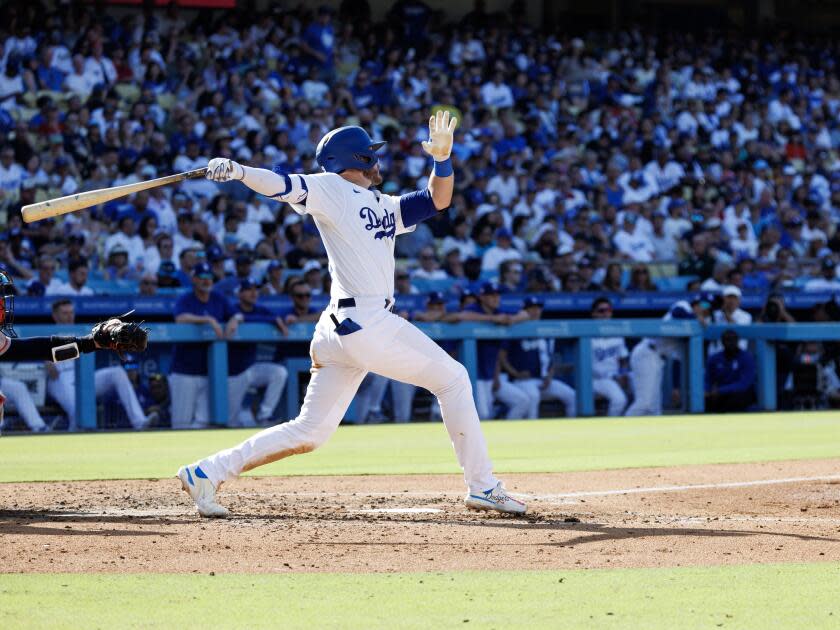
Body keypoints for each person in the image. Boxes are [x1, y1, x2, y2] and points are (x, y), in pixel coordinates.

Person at [177, 112, 526, 517]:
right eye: (371, 156)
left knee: (310, 432)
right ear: (359, 160)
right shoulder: (331, 189)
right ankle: (483, 485)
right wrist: (239, 171)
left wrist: (442, 161)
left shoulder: (384, 205)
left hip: (342, 328)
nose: (377, 162)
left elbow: (437, 200)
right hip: (365, 323)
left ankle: (207, 471)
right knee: (453, 380)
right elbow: (281, 184)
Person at [46, 300, 152, 432]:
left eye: (71, 312)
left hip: (82, 375)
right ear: (55, 316)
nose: (69, 316)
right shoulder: (46, 332)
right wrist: (44, 361)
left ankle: (140, 422)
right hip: (60, 378)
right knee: (76, 408)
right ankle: (76, 434)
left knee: (117, 373)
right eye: (65, 313)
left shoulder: (80, 331)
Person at [169, 262, 238, 429]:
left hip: (209, 372)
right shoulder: (186, 299)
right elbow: (180, 318)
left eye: (209, 277)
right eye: (202, 277)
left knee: (203, 422)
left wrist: (234, 320)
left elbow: (235, 314)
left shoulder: (218, 298)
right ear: (194, 279)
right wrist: (208, 320)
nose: (206, 281)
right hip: (184, 372)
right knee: (181, 422)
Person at [459, 281, 531, 420]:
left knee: (522, 401)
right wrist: (492, 319)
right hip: (475, 376)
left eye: (497, 295)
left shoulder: (499, 311)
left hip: (493, 374)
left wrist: (511, 319)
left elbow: (525, 314)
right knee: (484, 415)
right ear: (482, 297)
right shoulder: (475, 308)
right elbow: (459, 316)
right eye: (491, 295)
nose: (495, 298)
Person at [224, 278, 289, 427]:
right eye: (249, 289)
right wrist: (267, 319)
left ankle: (264, 415)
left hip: (251, 367)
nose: (254, 293)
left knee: (279, 372)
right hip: (233, 372)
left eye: (255, 289)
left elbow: (274, 316)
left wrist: (275, 319)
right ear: (239, 293)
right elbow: (234, 316)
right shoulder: (232, 309)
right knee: (231, 421)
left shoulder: (260, 309)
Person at [502, 297, 577, 418]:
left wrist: (549, 376)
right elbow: (502, 357)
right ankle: (532, 430)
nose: (536, 311)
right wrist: (515, 374)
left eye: (538, 308)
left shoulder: (546, 330)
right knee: (533, 395)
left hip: (544, 380)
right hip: (523, 381)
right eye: (532, 308)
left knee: (572, 395)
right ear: (524, 311)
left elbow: (551, 358)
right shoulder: (516, 329)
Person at [626, 299, 703, 416]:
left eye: (707, 306)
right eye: (701, 305)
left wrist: (675, 388)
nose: (703, 308)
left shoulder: (689, 334)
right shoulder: (684, 306)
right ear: (695, 304)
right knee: (644, 403)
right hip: (647, 352)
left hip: (658, 359)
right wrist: (695, 320)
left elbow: (678, 362)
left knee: (654, 408)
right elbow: (678, 312)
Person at [589, 297, 629, 416]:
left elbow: (623, 359)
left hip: (615, 376)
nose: (606, 314)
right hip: (596, 380)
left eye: (608, 310)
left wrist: (623, 374)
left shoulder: (617, 333)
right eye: (601, 311)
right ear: (594, 314)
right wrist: (614, 378)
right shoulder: (587, 334)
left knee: (642, 384)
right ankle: (611, 427)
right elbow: (588, 368)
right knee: (619, 400)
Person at [705, 330, 756, 412]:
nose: (730, 343)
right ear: (722, 342)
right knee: (704, 400)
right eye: (727, 340)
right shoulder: (714, 358)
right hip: (718, 395)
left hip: (739, 394)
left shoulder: (747, 357)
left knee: (738, 398)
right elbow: (708, 379)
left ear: (737, 341)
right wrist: (707, 391)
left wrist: (720, 390)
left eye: (732, 340)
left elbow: (744, 384)